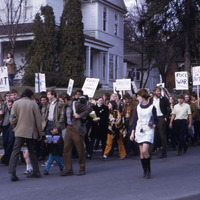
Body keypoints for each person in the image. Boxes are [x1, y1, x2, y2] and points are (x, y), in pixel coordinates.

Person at [8, 88, 43, 181]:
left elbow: (11, 118)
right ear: (31, 96)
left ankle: (12, 172)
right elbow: (38, 121)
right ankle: (36, 171)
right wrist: (40, 133)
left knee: (15, 151)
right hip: (31, 132)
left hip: (19, 131)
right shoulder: (34, 105)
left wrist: (15, 125)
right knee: (32, 152)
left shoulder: (16, 103)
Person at [59, 93, 92, 176]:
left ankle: (82, 168)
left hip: (76, 129)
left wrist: (79, 115)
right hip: (69, 128)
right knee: (66, 149)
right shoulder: (65, 106)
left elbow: (88, 109)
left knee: (80, 149)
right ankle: (68, 169)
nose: (61, 103)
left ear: (66, 99)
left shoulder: (76, 105)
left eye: (62, 101)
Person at [130, 89, 158, 179]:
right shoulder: (138, 107)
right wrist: (132, 133)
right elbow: (135, 120)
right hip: (139, 130)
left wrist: (153, 125)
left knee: (145, 151)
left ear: (143, 97)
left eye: (138, 96)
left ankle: (148, 170)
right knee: (141, 153)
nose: (137, 98)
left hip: (148, 130)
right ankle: (145, 170)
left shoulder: (152, 107)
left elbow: (156, 119)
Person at [150, 86, 171, 158]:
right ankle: (150, 152)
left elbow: (168, 109)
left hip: (161, 118)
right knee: (152, 135)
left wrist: (166, 117)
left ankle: (164, 152)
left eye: (159, 91)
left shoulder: (164, 99)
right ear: (154, 92)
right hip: (153, 118)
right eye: (157, 91)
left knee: (163, 136)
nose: (159, 92)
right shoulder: (151, 100)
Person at [0, 99, 15, 165]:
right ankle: (7, 159)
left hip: (12, 126)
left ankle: (5, 158)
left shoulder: (14, 109)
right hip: (5, 125)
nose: (9, 105)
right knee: (5, 142)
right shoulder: (4, 108)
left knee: (10, 142)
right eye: (8, 104)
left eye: (11, 104)